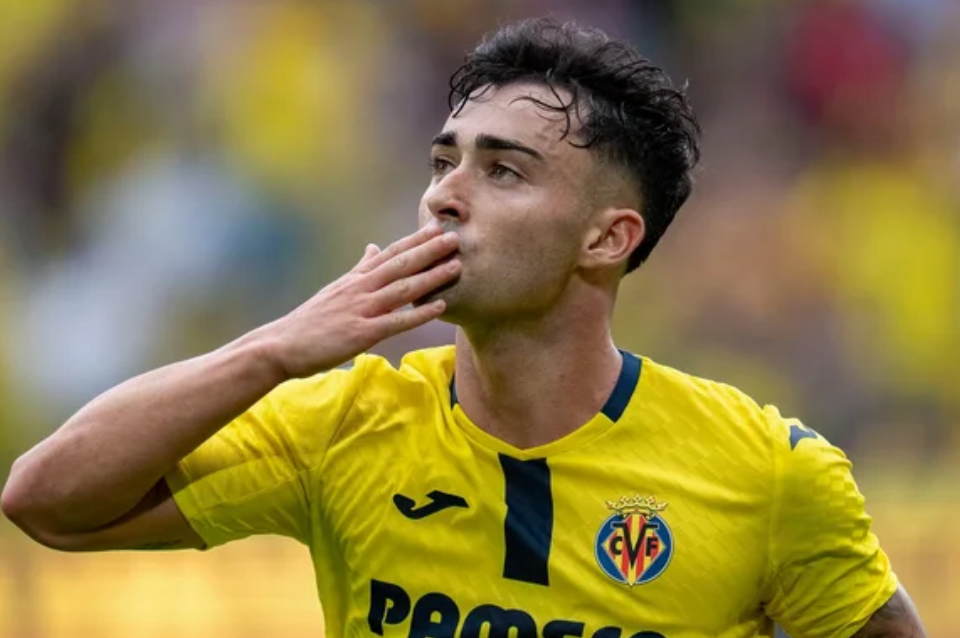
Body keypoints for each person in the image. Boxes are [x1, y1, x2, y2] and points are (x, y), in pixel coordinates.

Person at [1, 18, 925, 638]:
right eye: (444, 162)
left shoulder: (768, 473)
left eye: (503, 171)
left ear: (608, 238)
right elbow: (46, 499)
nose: (446, 195)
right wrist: (274, 350)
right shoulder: (345, 423)